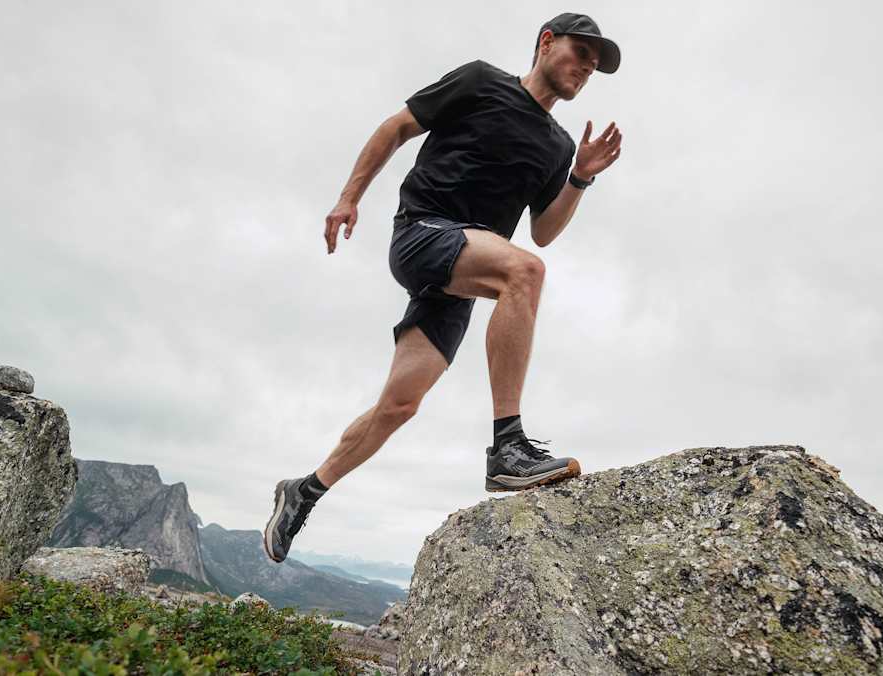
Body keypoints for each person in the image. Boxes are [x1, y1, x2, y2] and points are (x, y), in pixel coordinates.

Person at [264, 13, 622, 563]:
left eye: (595, 66)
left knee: (399, 404)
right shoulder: (481, 82)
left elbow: (544, 232)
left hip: (461, 275)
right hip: (422, 233)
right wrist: (348, 197)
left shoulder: (557, 144)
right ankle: (508, 447)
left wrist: (580, 176)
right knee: (523, 274)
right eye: (581, 53)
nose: (586, 68)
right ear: (546, 43)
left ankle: (303, 491)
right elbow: (397, 127)